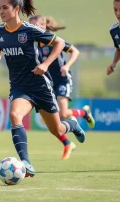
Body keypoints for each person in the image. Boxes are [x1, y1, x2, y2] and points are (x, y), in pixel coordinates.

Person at [0, 0, 86, 177]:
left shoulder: (29, 30)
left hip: (40, 86)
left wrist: (45, 64)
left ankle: (72, 124)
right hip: (19, 87)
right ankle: (26, 162)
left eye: (5, 7)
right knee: (15, 115)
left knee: (57, 129)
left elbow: (59, 43)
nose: (1, 11)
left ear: (16, 9)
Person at [29, 15, 95, 160]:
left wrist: (67, 65)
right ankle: (67, 143)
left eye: (37, 26)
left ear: (44, 26)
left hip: (63, 80)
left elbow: (75, 51)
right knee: (51, 120)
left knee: (63, 114)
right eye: (31, 26)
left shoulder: (53, 40)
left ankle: (83, 113)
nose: (34, 29)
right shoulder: (34, 47)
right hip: (49, 84)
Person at [107, 0, 120, 124]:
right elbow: (119, 48)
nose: (118, 13)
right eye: (115, 9)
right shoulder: (114, 31)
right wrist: (113, 64)